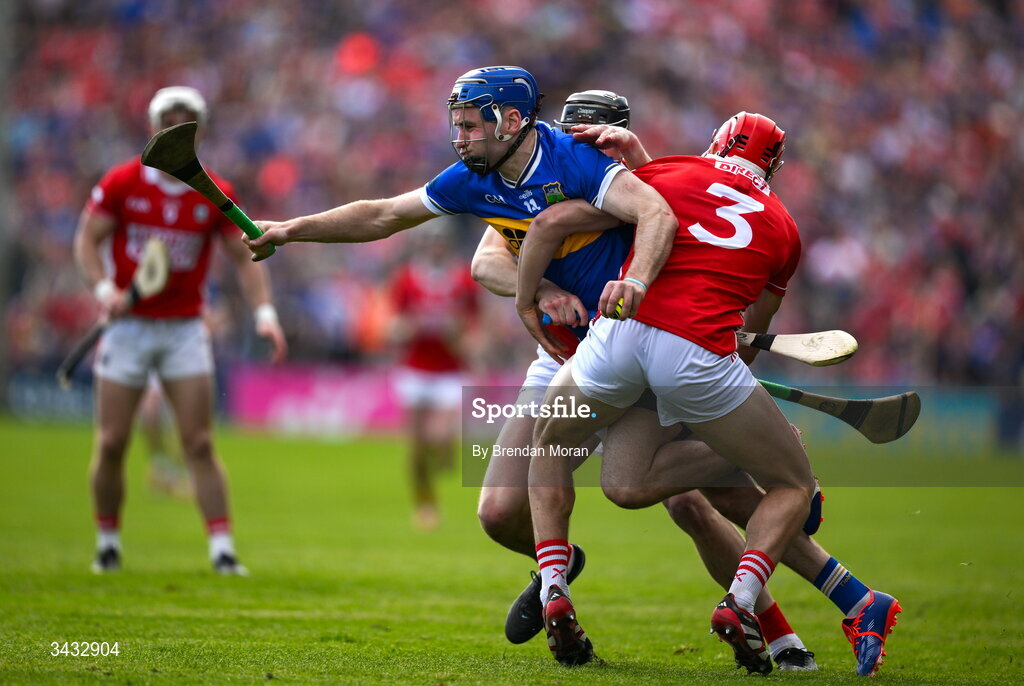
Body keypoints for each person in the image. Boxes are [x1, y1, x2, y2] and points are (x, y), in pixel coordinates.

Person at [514, 112, 901, 676]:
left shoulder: (670, 169)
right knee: (789, 483)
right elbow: (750, 335)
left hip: (618, 330)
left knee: (581, 460)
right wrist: (734, 405)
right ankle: (745, 601)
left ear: (717, 142)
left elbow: (657, 202)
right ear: (774, 165)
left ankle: (553, 583)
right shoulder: (785, 230)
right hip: (695, 354)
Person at [470, 91, 818, 672]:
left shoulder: (640, 185)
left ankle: (779, 631)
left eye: (596, 134)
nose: (580, 143)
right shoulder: (539, 182)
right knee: (500, 512)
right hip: (564, 362)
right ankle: (560, 566)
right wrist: (544, 291)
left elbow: (690, 218)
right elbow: (487, 261)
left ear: (619, 139)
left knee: (694, 503)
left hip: (637, 368)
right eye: (571, 131)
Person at [74, 86, 287, 575]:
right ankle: (107, 543)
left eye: (185, 119)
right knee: (110, 442)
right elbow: (87, 241)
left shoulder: (214, 189)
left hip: (184, 329)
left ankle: (223, 551)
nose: (175, 125)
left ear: (199, 128)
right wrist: (103, 288)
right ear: (152, 125)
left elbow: (244, 257)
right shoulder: (123, 182)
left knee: (199, 443)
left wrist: (265, 313)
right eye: (167, 118)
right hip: (127, 329)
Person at [388, 221, 480, 530]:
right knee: (415, 447)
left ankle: (443, 456)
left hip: (448, 370)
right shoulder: (407, 279)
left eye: (440, 241)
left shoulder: (462, 280)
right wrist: (409, 327)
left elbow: (475, 327)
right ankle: (425, 504)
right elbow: (392, 326)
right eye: (430, 241)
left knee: (440, 439)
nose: (435, 246)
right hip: (415, 368)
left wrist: (461, 338)